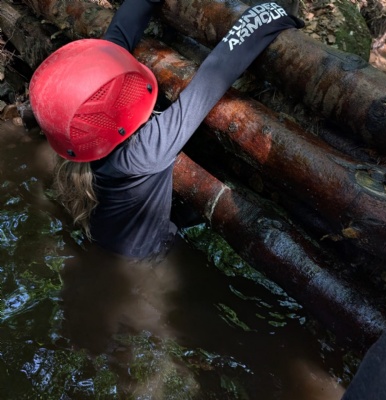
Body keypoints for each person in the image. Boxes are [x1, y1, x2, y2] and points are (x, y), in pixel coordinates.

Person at [29, 0, 304, 260]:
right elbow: (212, 77)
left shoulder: (76, 135)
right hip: (148, 261)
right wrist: (267, 14)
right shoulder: (142, 153)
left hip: (109, 236)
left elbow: (117, 38)